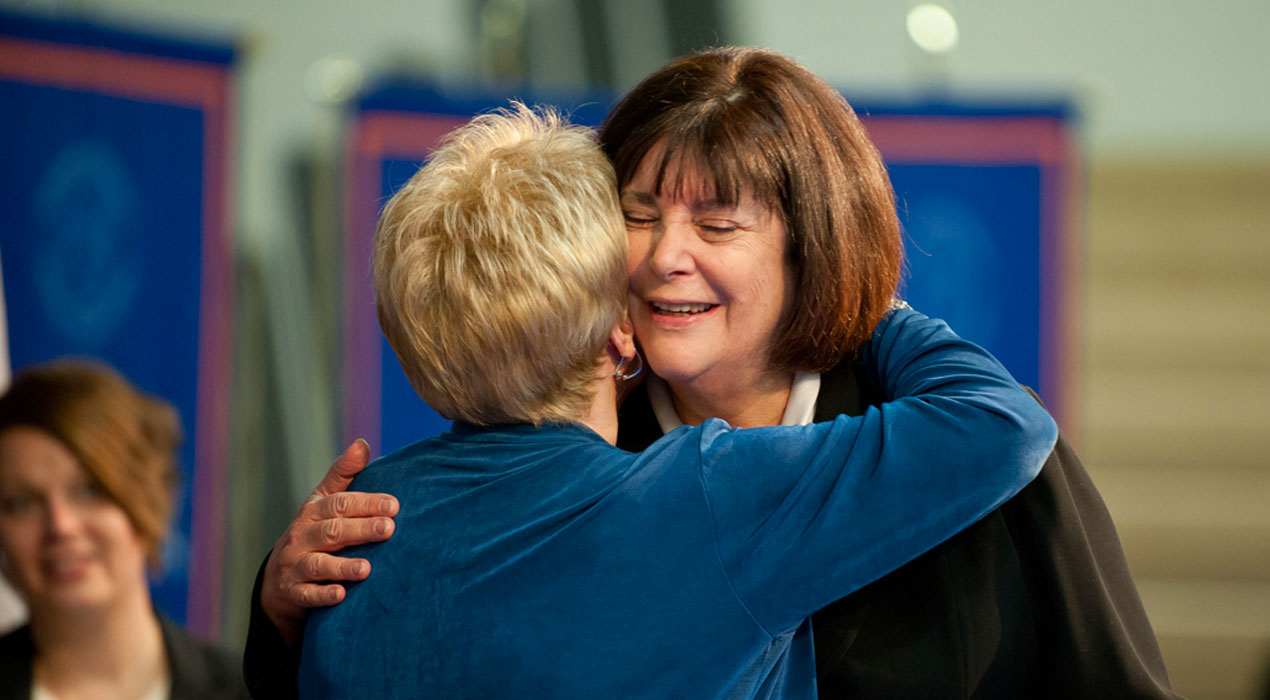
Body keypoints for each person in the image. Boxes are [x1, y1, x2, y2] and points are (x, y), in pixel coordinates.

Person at [247, 48, 1183, 699]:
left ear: (813, 245)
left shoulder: (986, 471)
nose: (664, 257)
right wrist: (280, 610)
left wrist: (867, 310)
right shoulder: (562, 464)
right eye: (640, 213)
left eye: (719, 224)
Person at [0, 361, 249, 700]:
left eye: (89, 491)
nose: (61, 525)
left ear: (147, 499)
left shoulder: (250, 692)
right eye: (21, 503)